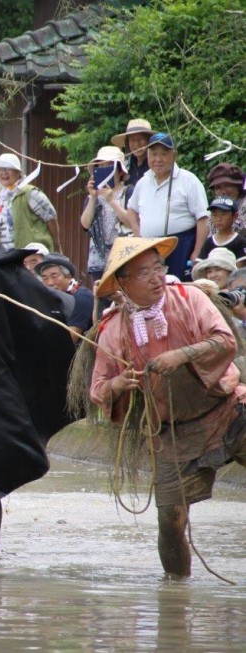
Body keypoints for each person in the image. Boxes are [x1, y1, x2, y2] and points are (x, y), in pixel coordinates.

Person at [89, 236, 246, 578]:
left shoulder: (189, 299)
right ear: (123, 283)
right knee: (169, 520)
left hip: (228, 409)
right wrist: (119, 384)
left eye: (158, 268)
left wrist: (182, 355)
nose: (156, 277)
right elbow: (98, 390)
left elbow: (226, 341)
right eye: (143, 273)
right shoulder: (113, 329)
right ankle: (175, 594)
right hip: (173, 435)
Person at [125, 133, 210, 280]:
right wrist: (138, 235)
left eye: (164, 154)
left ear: (174, 155)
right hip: (149, 246)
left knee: (178, 289)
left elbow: (203, 218)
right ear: (147, 155)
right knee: (152, 289)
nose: (158, 159)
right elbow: (131, 210)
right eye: (154, 154)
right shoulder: (143, 182)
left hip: (181, 245)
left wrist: (197, 252)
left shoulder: (189, 180)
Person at [80, 145, 136, 285]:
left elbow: (132, 223)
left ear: (120, 171)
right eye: (101, 166)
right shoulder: (92, 197)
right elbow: (85, 224)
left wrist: (112, 201)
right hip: (98, 260)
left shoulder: (129, 192)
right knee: (103, 300)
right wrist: (93, 197)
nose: (105, 169)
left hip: (123, 257)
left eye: (110, 165)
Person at [0, 153, 61, 252]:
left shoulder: (31, 193)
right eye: (0, 170)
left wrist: (56, 245)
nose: (3, 173)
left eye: (8, 169)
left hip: (31, 255)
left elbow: (51, 218)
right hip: (5, 255)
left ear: (18, 173)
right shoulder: (1, 197)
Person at [34, 253, 94, 341]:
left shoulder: (82, 297)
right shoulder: (46, 297)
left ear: (68, 277)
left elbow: (72, 338)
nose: (49, 283)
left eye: (54, 276)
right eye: (45, 278)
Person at [198, 197, 246, 262]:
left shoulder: (240, 242)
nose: (219, 219)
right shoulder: (208, 242)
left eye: (223, 214)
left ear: (235, 216)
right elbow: (200, 265)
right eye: (215, 215)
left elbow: (240, 269)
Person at [111, 118, 153, 188]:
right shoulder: (125, 166)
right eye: (132, 140)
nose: (136, 144)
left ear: (148, 140)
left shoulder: (156, 164)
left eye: (141, 139)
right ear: (127, 142)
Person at [205, 162, 246, 234]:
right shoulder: (214, 211)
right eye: (218, 187)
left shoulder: (244, 205)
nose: (223, 191)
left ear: (237, 186)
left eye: (227, 185)